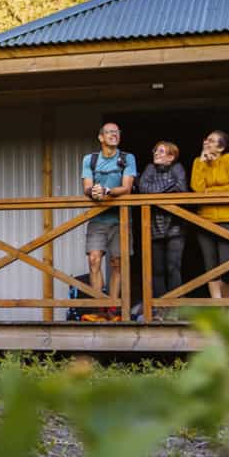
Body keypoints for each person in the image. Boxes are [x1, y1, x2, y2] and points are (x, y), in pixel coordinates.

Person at [79, 121, 136, 313]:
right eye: (110, 132)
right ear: (101, 137)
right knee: (94, 260)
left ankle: (112, 307)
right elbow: (86, 187)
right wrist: (93, 191)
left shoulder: (128, 158)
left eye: (117, 132)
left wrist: (107, 190)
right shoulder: (90, 159)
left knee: (116, 263)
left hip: (120, 219)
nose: (114, 135)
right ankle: (99, 306)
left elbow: (127, 188)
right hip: (97, 219)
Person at [190, 129, 229, 300]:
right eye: (206, 140)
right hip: (205, 219)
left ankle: (225, 301)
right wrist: (201, 162)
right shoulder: (199, 162)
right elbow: (197, 189)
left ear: (221, 148)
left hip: (228, 219)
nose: (207, 142)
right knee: (210, 266)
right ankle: (217, 304)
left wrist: (210, 191)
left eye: (212, 141)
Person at [136, 140, 189, 305]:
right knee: (156, 270)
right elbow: (143, 189)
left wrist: (155, 191)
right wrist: (168, 187)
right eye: (155, 151)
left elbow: (181, 189)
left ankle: (175, 307)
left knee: (173, 268)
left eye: (160, 151)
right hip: (153, 225)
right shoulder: (150, 168)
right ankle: (160, 307)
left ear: (171, 156)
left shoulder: (177, 168)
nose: (156, 154)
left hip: (175, 225)